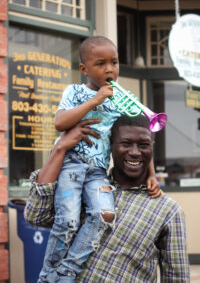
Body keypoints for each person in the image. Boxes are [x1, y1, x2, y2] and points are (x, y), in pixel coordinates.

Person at [36, 36, 161, 283]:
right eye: (100, 63)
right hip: (70, 165)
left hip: (97, 172)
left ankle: (67, 270)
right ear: (84, 69)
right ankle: (48, 275)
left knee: (105, 215)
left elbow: (140, 136)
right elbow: (60, 122)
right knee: (68, 219)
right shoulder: (74, 91)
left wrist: (151, 174)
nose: (109, 69)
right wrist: (96, 100)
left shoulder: (122, 99)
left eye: (114, 62)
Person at [24, 114, 190, 282]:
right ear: (110, 145)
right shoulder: (80, 189)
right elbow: (35, 217)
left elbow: (177, 277)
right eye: (125, 143)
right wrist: (59, 149)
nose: (134, 152)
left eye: (143, 145)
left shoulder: (168, 211)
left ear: (152, 149)